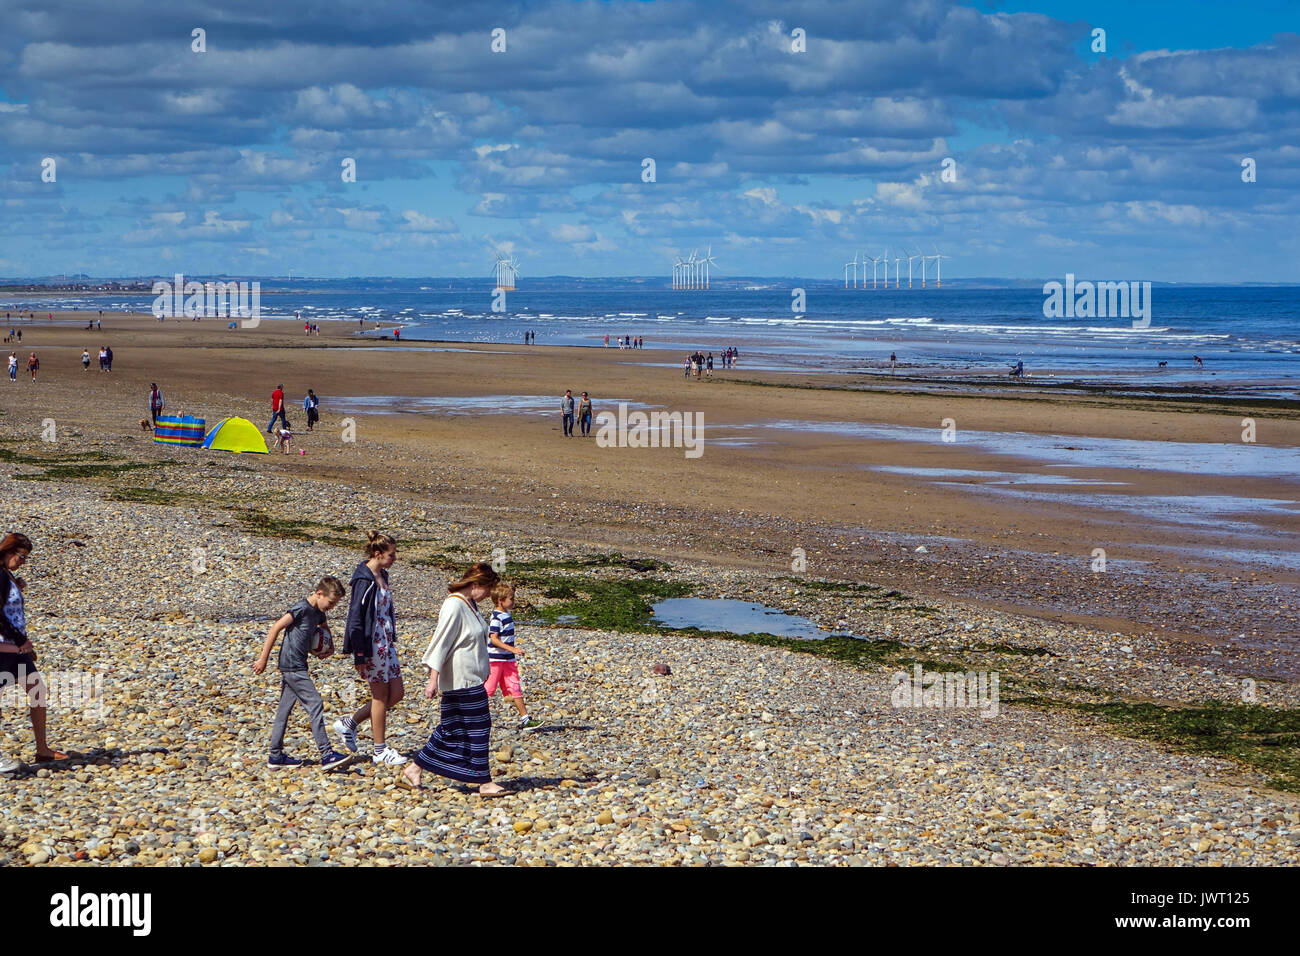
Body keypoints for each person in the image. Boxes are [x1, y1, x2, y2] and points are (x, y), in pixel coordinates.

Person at [399, 563, 509, 796]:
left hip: (471, 678)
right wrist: (433, 680)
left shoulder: (471, 605)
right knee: (478, 727)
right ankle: (484, 782)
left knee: (451, 728)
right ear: (476, 584)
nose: (489, 594)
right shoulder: (454, 605)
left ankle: (415, 768)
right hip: (461, 680)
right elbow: (441, 643)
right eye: (487, 588)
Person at [253, 576, 352, 770]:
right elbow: (276, 628)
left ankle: (275, 756)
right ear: (319, 593)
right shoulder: (301, 608)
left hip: (298, 665)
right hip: (292, 666)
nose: (332, 607)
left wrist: (327, 646)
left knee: (284, 710)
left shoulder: (319, 613)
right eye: (331, 602)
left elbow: (324, 627)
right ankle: (327, 754)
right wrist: (263, 659)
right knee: (315, 703)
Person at [336, 532, 406, 765]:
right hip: (372, 644)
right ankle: (379, 750)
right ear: (378, 554)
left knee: (396, 694)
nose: (394, 558)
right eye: (391, 554)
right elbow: (355, 618)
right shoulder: (363, 580)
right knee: (379, 696)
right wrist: (359, 653)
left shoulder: (383, 575)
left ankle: (349, 723)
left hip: (386, 642)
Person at [0, 533, 67, 768]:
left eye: (25, 558)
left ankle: (43, 750)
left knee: (37, 690)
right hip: (5, 647)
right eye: (21, 556)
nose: (23, 561)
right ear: (7, 552)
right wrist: (21, 640)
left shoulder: (6, 576)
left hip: (15, 648)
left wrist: (15, 585)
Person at [484, 582, 539, 730]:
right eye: (511, 599)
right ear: (500, 600)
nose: (513, 602)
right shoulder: (496, 618)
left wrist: (511, 652)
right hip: (495, 660)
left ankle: (526, 719)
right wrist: (512, 649)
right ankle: (471, 716)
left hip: (508, 660)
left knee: (515, 687)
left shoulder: (506, 614)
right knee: (489, 689)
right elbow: (493, 639)